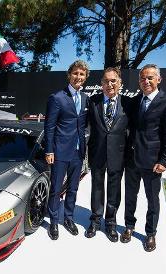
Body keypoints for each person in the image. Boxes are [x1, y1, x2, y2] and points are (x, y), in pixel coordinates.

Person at [121, 64, 166, 252]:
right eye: (143, 78)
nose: (146, 81)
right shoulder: (135, 101)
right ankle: (129, 226)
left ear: (159, 80)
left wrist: (164, 161)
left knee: (152, 200)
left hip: (153, 163)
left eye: (150, 78)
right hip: (132, 160)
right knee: (130, 196)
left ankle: (150, 233)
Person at [44, 60, 90, 240]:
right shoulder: (57, 98)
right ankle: (54, 221)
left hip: (79, 153)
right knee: (56, 188)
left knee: (73, 188)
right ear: (69, 75)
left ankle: (68, 218)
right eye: (76, 73)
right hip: (60, 151)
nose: (78, 77)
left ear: (85, 78)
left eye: (82, 74)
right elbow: (49, 127)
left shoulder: (85, 98)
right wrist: (49, 151)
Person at [84, 67, 129, 242]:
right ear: (101, 83)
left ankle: (111, 222)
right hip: (97, 153)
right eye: (106, 81)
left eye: (113, 81)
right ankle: (95, 221)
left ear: (120, 83)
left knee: (114, 189)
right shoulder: (92, 101)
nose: (110, 84)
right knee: (96, 187)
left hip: (118, 154)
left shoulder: (128, 103)